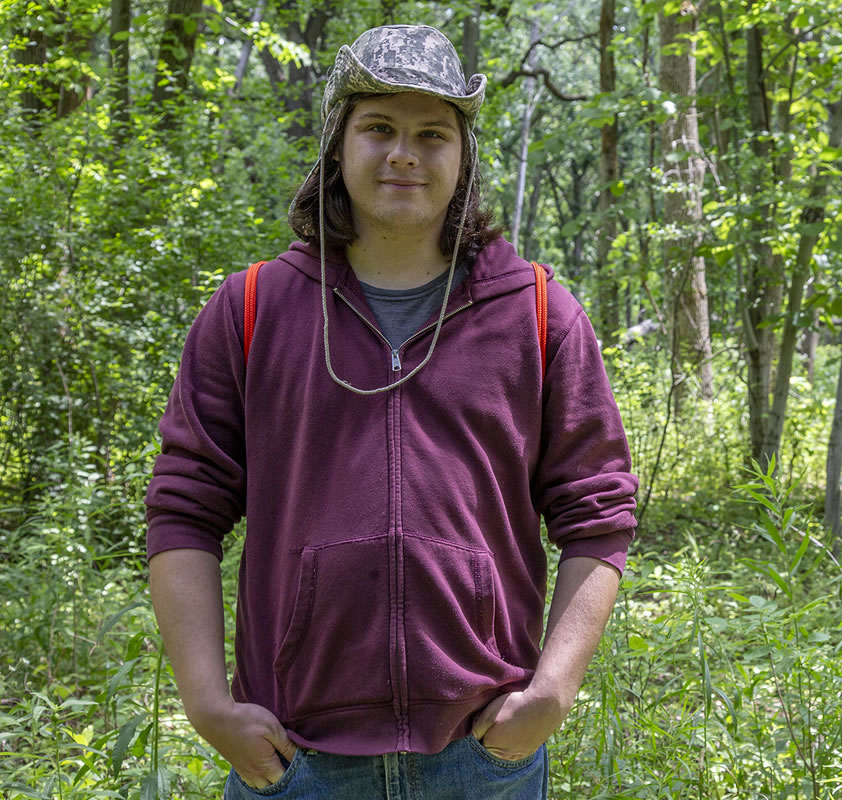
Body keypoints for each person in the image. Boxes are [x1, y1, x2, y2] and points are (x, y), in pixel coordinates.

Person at [145, 24, 638, 799]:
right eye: (378, 127)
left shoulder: (539, 314)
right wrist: (208, 704)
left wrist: (551, 693)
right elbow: (183, 509)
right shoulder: (250, 311)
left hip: (482, 758)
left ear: (463, 157)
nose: (403, 152)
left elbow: (599, 512)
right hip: (295, 758)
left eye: (431, 133)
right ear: (336, 146)